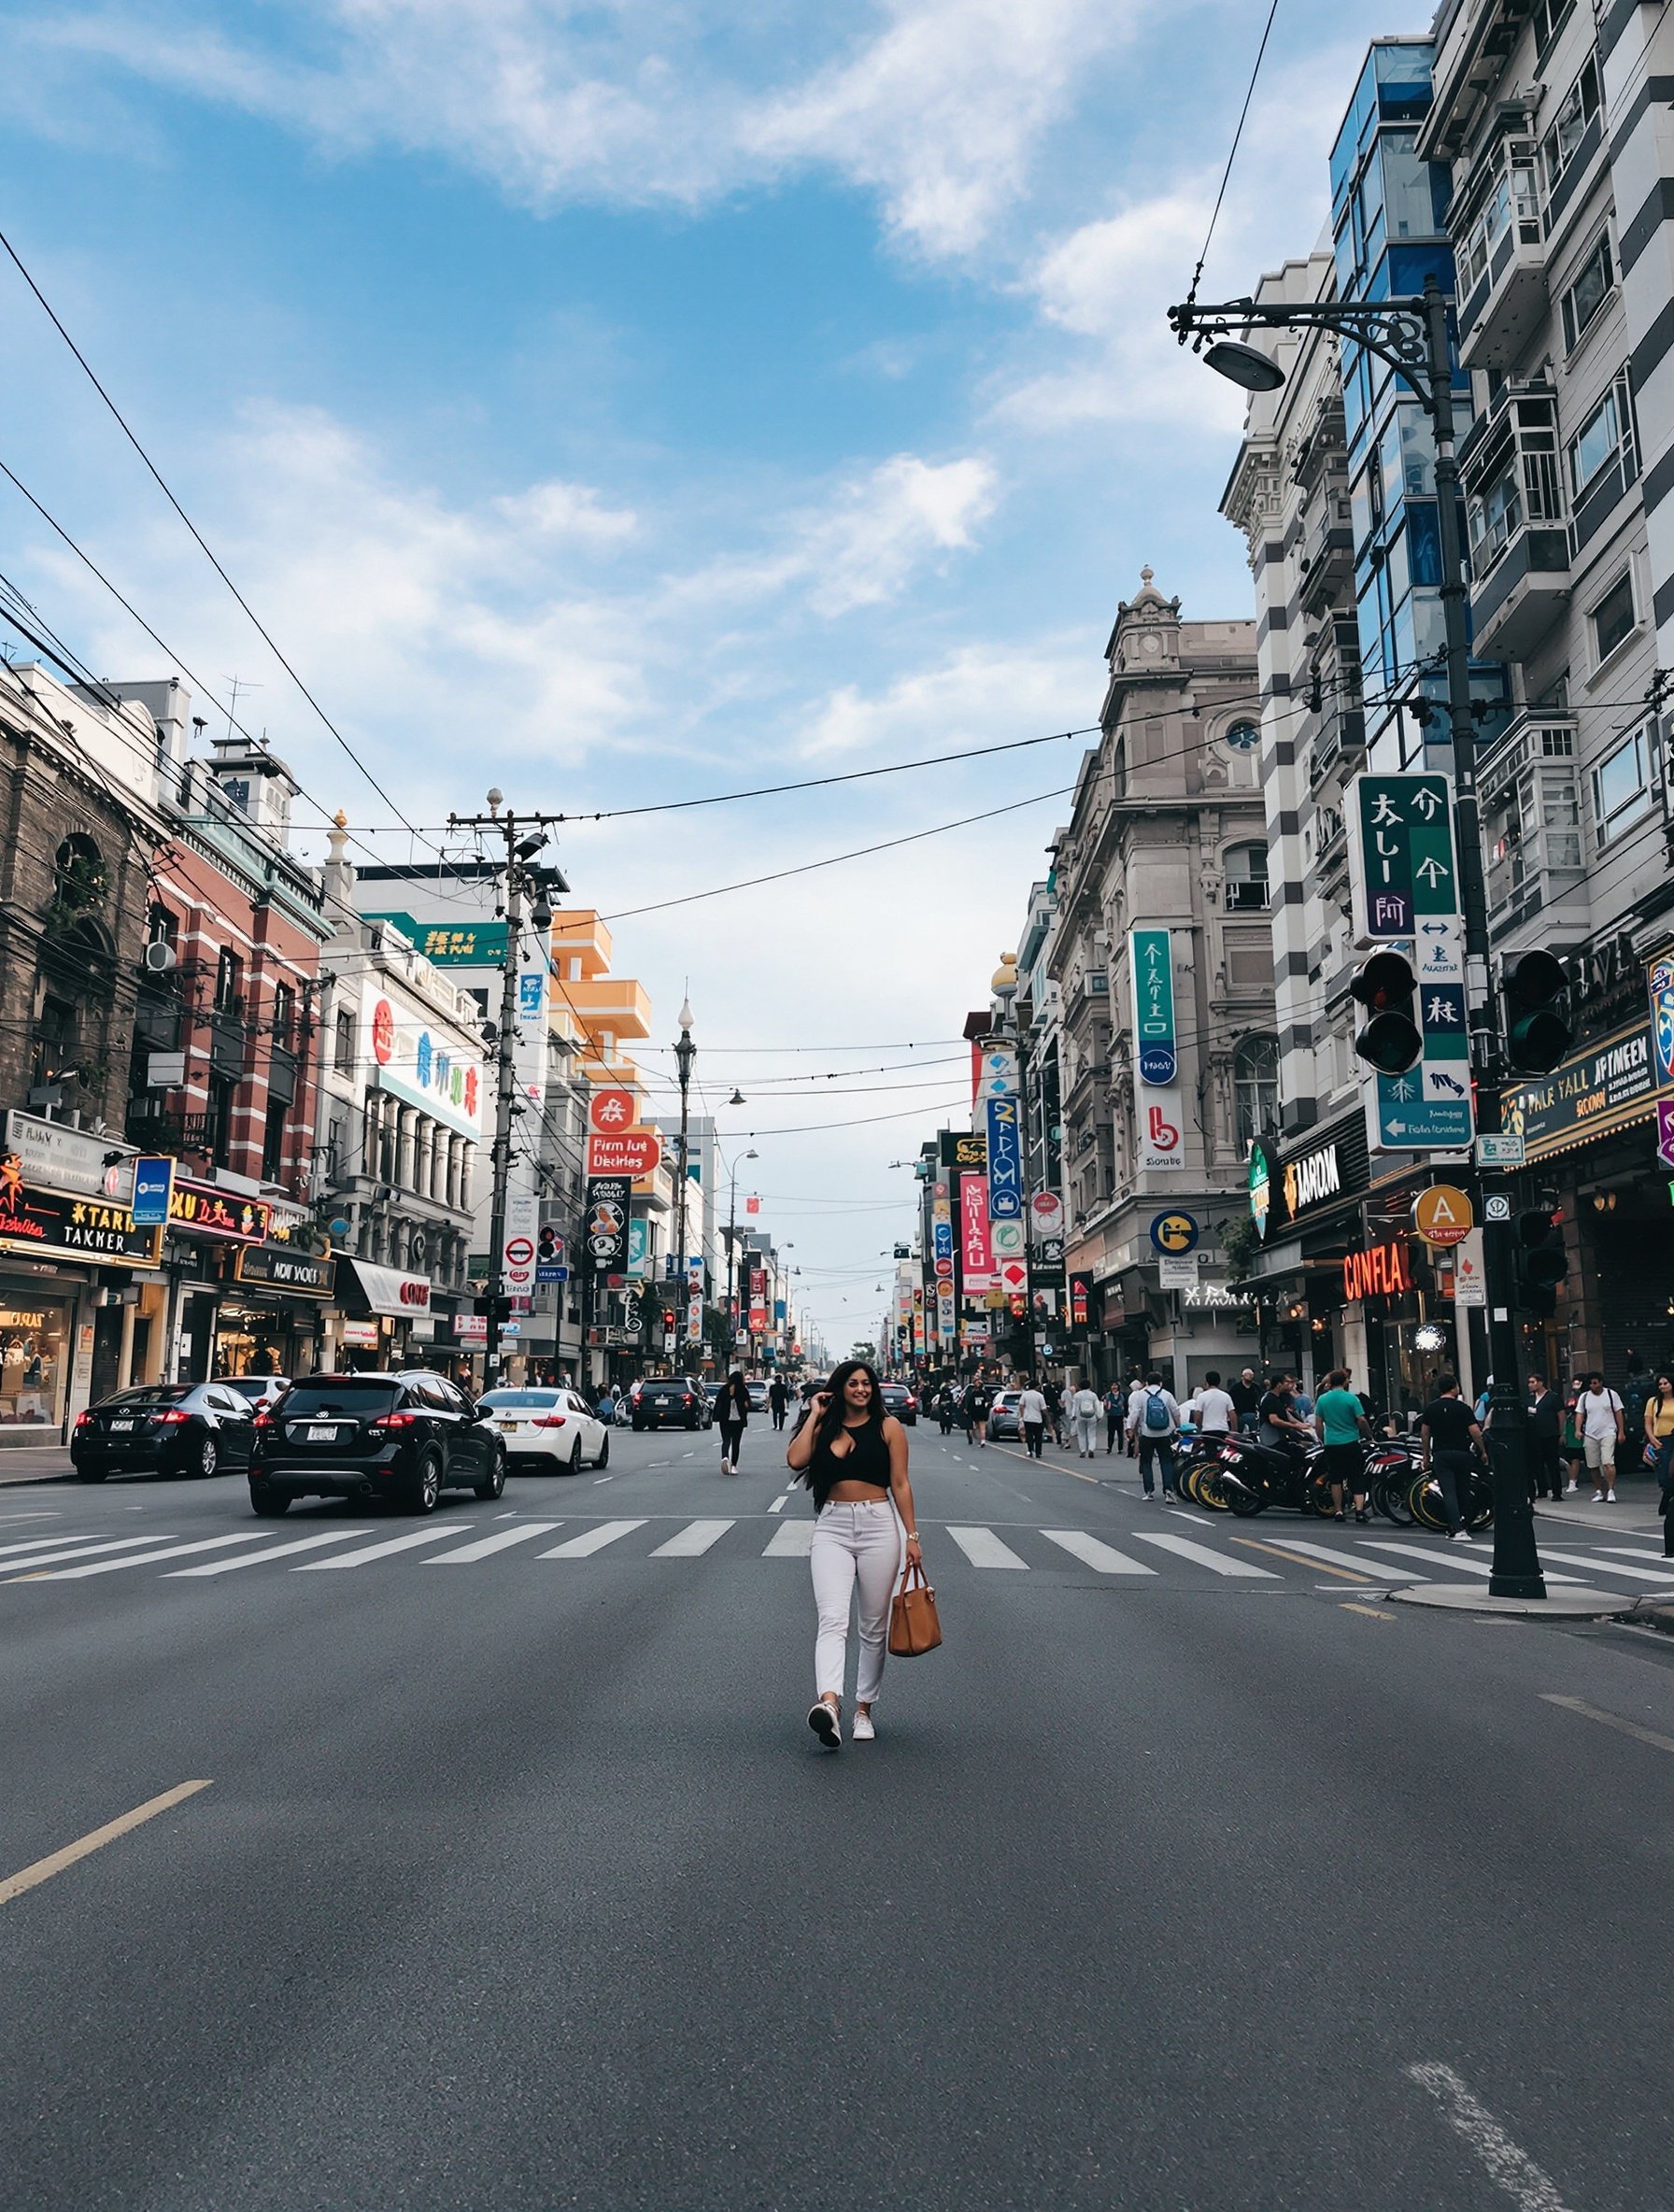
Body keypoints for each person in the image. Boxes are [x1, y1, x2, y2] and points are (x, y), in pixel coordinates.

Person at [787, 1358, 922, 1750]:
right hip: (832, 1526)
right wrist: (815, 1414)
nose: (861, 1389)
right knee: (831, 1620)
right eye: (853, 1384)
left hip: (880, 1525)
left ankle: (864, 1709)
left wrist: (912, 1536)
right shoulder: (824, 1425)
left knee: (874, 1628)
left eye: (867, 1384)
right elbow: (795, 1460)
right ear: (840, 1388)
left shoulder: (888, 1427)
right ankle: (830, 1704)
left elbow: (900, 1483)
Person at [1420, 1371, 1485, 1541]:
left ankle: (1455, 1527)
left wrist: (1425, 1455)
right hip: (1462, 1453)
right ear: (1454, 1387)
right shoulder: (1463, 1408)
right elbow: (1475, 1431)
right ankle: (1464, 1522)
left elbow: (1425, 1434)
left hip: (1441, 1453)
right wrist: (1483, 1450)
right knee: (1463, 1490)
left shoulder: (1431, 1408)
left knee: (1448, 1491)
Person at [1313, 1368, 1372, 1522]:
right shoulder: (1352, 1399)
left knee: (1335, 1477)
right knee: (1357, 1475)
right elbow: (1361, 1420)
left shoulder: (1322, 1400)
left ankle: (1338, 1511)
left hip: (1331, 1443)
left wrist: (1322, 1439)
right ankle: (1359, 1510)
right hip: (1351, 1441)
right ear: (1345, 1382)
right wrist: (1368, 1435)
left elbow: (1318, 1424)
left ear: (1330, 1383)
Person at [1127, 1371, 1181, 1498]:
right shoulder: (1167, 1395)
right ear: (1160, 1382)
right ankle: (1168, 1490)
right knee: (1166, 1461)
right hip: (1165, 1433)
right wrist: (1178, 1427)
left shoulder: (1140, 1395)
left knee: (1146, 1462)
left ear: (1146, 1383)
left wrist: (1131, 1429)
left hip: (1146, 1434)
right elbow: (1176, 1412)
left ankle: (1148, 1491)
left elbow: (1134, 1414)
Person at [1576, 1371, 1626, 1502]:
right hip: (1590, 1433)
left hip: (1608, 1431)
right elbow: (1580, 1414)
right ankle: (1599, 1490)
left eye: (1595, 1383)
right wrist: (1578, 1430)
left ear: (1601, 1382)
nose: (1593, 1386)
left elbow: (1618, 1413)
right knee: (1593, 1465)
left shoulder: (1611, 1394)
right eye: (1591, 1383)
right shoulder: (1585, 1397)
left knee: (1608, 1461)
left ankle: (1610, 1490)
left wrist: (1621, 1431)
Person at [1645, 1373, 1674, 1553]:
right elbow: (1648, 1422)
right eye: (1660, 1384)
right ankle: (1667, 1496)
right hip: (1661, 1441)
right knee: (1665, 1476)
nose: (1663, 1386)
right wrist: (1653, 1439)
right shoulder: (1653, 1402)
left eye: (1666, 1383)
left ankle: (1668, 1500)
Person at [1526, 1374, 1564, 1503]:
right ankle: (1542, 1490)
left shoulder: (1553, 1398)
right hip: (1535, 1436)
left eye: (1533, 1382)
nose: (1530, 1385)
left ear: (1540, 1383)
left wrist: (1561, 1432)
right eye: (1529, 1382)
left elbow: (1561, 1414)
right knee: (1538, 1464)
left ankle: (1557, 1492)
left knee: (1553, 1464)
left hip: (1550, 1434)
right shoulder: (1530, 1399)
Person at [1258, 1374, 1312, 1457]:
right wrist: (1295, 1426)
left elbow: (1288, 1416)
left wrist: (1303, 1425)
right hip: (1273, 1439)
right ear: (1279, 1384)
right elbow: (1274, 1420)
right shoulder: (1270, 1399)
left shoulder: (1279, 1399)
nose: (1288, 1385)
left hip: (1281, 1436)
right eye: (1285, 1383)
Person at [1186, 1369, 1235, 1441]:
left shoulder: (1201, 1396)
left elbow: (1198, 1415)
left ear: (1207, 1382)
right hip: (1223, 1430)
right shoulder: (1226, 1396)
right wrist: (1234, 1431)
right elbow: (1232, 1414)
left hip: (1207, 1431)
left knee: (1210, 1451)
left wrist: (1199, 1427)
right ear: (1219, 1382)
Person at [717, 1368, 749, 1475]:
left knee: (726, 1441)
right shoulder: (743, 1390)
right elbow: (747, 1405)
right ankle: (734, 1466)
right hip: (738, 1421)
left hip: (725, 1419)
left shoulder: (724, 1389)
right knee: (736, 1443)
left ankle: (725, 1457)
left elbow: (718, 1404)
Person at [1071, 1380, 1101, 1458]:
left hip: (1081, 1415)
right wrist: (1099, 1416)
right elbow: (1097, 1405)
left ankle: (1083, 1450)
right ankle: (1091, 1449)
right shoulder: (1093, 1395)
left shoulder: (1077, 1395)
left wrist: (1073, 1415)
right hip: (1091, 1415)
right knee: (1092, 1434)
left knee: (1081, 1434)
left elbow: (1076, 1406)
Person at [1017, 1379, 1048, 1459]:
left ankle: (1031, 1450)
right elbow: (1043, 1408)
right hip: (1038, 1418)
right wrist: (1047, 1416)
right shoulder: (1039, 1396)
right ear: (1036, 1386)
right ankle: (1038, 1452)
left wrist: (1021, 1416)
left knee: (1029, 1435)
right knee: (1038, 1436)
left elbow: (1021, 1406)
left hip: (1027, 1418)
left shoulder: (1025, 1395)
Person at [1229, 1367, 1263, 1438]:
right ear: (1242, 1376)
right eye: (1247, 1375)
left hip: (1252, 1413)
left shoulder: (1256, 1387)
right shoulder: (1236, 1388)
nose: (1250, 1377)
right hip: (1239, 1414)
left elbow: (1260, 1398)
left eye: (1251, 1375)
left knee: (1253, 1433)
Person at [966, 1373, 992, 1448]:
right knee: (982, 1427)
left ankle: (979, 1440)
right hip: (982, 1412)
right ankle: (982, 1441)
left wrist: (968, 1411)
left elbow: (970, 1404)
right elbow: (988, 1401)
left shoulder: (973, 1394)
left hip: (975, 1413)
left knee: (976, 1427)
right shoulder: (984, 1393)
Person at [1101, 1382, 1126, 1455]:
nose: (1114, 1387)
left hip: (1120, 1415)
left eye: (1116, 1385)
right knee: (1111, 1432)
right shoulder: (1107, 1395)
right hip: (1111, 1415)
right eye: (1113, 1385)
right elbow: (1105, 1405)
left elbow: (1125, 1404)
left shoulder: (1122, 1395)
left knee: (1120, 1433)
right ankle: (1109, 1447)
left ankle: (1120, 1448)